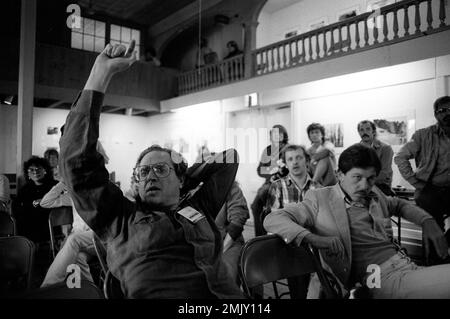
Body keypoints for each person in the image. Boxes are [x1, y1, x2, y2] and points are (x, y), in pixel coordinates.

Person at [58, 40, 242, 298]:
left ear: (180, 180)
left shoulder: (199, 207)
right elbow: (76, 162)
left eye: (160, 169)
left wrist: (184, 178)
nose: (150, 176)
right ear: (136, 182)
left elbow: (229, 159)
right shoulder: (119, 217)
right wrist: (100, 75)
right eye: (143, 172)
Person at [264, 144, 450, 298]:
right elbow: (273, 218)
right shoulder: (320, 198)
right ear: (340, 175)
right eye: (357, 177)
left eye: (370, 179)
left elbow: (398, 204)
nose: (364, 185)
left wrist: (427, 220)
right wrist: (313, 238)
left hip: (405, 266)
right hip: (382, 278)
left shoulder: (373, 193)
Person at [264, 144, 321, 299]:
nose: (295, 162)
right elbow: (274, 224)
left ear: (306, 161)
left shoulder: (318, 188)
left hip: (314, 246)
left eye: (299, 158)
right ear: (286, 163)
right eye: (290, 159)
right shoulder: (277, 186)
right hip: (290, 247)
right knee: (300, 282)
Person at [395, 96, 450, 244]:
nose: (447, 114)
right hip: (430, 189)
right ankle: (434, 260)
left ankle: (444, 243)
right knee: (433, 227)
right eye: (442, 110)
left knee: (441, 238)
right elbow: (400, 157)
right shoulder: (423, 135)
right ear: (436, 114)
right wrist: (415, 182)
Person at [39, 179, 96, 287]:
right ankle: (85, 292)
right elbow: (45, 202)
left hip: (98, 239)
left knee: (73, 240)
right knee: (78, 258)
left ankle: (48, 288)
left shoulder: (104, 192)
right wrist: (63, 183)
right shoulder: (74, 196)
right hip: (80, 244)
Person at [251, 124, 289, 237]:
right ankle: (259, 237)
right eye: (274, 134)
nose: (277, 136)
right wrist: (273, 169)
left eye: (280, 133)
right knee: (255, 206)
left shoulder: (288, 148)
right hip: (269, 183)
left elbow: (288, 168)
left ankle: (273, 235)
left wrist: (277, 171)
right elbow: (259, 170)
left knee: (270, 206)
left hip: (285, 183)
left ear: (284, 135)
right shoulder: (267, 150)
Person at [12, 156, 57, 243]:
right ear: (28, 174)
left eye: (38, 168)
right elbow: (16, 206)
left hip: (50, 223)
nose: (35, 172)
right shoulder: (25, 189)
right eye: (31, 170)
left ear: (45, 170)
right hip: (29, 224)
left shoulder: (55, 185)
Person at [215, 180, 249, 284]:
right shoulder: (192, 187)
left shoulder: (231, 188)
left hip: (228, 242)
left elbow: (237, 221)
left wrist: (221, 251)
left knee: (226, 273)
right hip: (200, 244)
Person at [358, 120, 394, 196]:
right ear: (359, 132)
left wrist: (362, 181)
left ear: (373, 132)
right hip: (360, 188)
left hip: (380, 189)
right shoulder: (355, 149)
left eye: (368, 129)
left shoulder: (385, 148)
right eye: (361, 130)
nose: (364, 132)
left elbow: (384, 174)